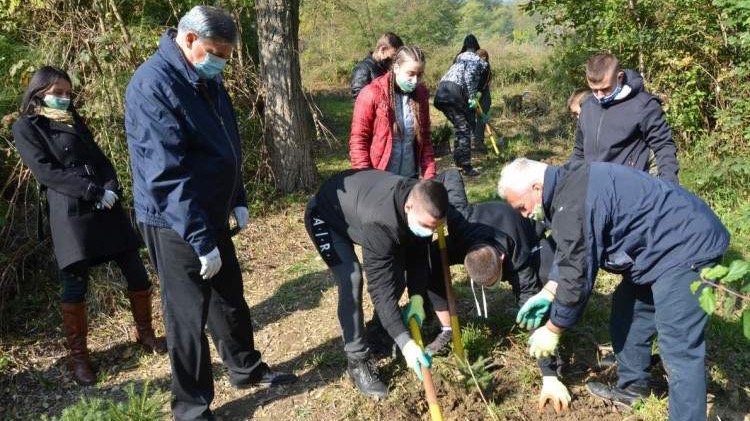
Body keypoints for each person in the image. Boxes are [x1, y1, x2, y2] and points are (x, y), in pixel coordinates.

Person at [124, 6, 295, 420]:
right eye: (216, 52)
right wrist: (200, 240)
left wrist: (237, 195)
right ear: (187, 40)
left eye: (226, 54)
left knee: (228, 298)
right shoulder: (153, 85)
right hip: (172, 221)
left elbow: (226, 142)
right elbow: (166, 174)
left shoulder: (206, 78)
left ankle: (245, 369)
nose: (221, 61)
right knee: (187, 316)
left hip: (212, 210)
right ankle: (192, 408)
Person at [498, 158, 729, 420]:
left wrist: (553, 329)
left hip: (686, 248)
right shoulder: (566, 187)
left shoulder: (573, 201)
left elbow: (577, 276)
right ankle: (633, 387)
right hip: (656, 251)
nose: (524, 214)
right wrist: (549, 291)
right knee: (627, 310)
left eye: (521, 206)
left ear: (536, 188)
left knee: (679, 348)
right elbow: (570, 250)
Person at [12, 66, 166, 386]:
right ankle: (79, 358)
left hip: (105, 205)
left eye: (68, 93)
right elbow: (47, 173)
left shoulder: (73, 119)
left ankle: (146, 334)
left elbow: (100, 158)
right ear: (39, 93)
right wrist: (91, 192)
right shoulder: (27, 127)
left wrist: (111, 186)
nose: (64, 98)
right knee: (75, 284)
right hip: (71, 210)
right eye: (58, 93)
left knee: (136, 269)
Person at [421, 176, 570, 413]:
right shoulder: (461, 225)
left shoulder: (517, 255)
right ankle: (445, 327)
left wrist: (548, 374)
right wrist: (427, 185)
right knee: (429, 260)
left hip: (527, 239)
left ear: (501, 260)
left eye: (494, 282)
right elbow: (451, 175)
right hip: (476, 236)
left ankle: (559, 323)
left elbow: (529, 304)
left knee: (545, 272)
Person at [304, 169, 448, 399]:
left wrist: (418, 298)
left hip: (359, 210)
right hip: (327, 216)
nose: (429, 232)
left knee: (396, 275)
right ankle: (357, 360)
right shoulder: (381, 222)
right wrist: (406, 342)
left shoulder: (424, 202)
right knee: (351, 278)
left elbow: (419, 257)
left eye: (434, 228)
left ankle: (380, 331)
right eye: (426, 226)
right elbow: (380, 290)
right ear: (409, 208)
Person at [572, 53, 679, 183]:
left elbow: (663, 146)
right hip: (593, 188)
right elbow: (579, 150)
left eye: (605, 89)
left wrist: (668, 186)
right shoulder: (588, 106)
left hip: (628, 189)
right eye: (594, 90)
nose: (599, 96)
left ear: (619, 77)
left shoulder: (643, 105)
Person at [349, 46, 436, 180]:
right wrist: (365, 180)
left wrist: (430, 177)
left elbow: (425, 140)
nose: (415, 80)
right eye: (411, 74)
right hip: (379, 180)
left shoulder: (421, 95)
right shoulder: (372, 93)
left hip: (409, 178)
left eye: (419, 75)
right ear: (396, 68)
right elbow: (358, 141)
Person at [433, 34, 489, 177]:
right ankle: (466, 166)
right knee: (465, 129)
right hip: (453, 93)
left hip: (441, 92)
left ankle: (460, 162)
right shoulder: (478, 61)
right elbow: (470, 79)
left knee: (461, 126)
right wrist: (472, 96)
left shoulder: (459, 57)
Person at [350, 32, 403, 100]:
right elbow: (359, 99)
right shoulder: (362, 69)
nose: (394, 59)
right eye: (393, 55)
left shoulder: (384, 67)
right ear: (382, 49)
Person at [474, 48, 492, 154]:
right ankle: (474, 141)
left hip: (484, 95)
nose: (483, 59)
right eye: (480, 57)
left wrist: (479, 93)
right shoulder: (473, 66)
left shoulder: (487, 67)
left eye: (484, 57)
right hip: (473, 96)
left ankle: (479, 143)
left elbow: (484, 82)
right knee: (472, 118)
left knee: (482, 118)